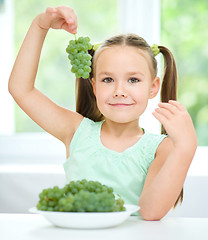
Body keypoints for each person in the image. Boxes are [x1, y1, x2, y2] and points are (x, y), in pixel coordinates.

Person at [8, 6, 197, 220]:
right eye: (108, 79)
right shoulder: (76, 131)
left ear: (153, 87)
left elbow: (150, 212)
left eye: (133, 80)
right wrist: (39, 26)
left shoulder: (161, 148)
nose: (119, 91)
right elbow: (21, 89)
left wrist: (186, 147)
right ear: (95, 86)